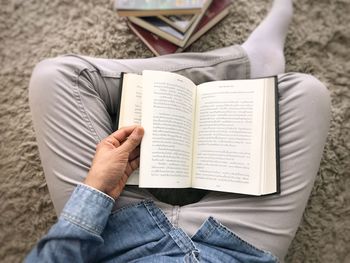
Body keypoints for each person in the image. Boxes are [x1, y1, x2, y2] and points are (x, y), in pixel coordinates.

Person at [25, 0, 331, 262]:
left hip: (112, 239)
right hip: (236, 247)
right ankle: (249, 66)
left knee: (57, 76)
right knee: (307, 93)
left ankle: (247, 63)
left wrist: (95, 191)